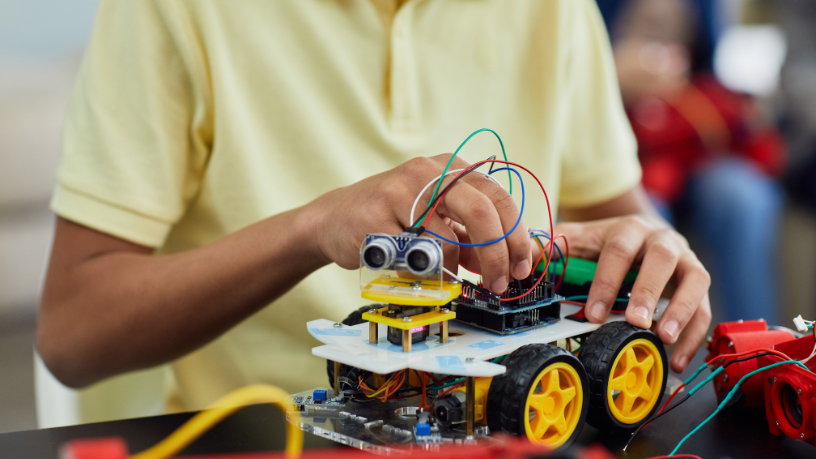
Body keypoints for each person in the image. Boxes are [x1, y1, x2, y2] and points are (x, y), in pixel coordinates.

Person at [37, 0, 711, 414]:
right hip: (267, 428)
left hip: (504, 419)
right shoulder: (176, 8)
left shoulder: (555, 10)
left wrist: (655, 250)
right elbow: (72, 332)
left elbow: (622, 219)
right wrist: (311, 227)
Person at [599, 0, 786, 323]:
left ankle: (758, 352)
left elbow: (711, 68)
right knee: (646, 214)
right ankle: (643, 344)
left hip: (689, 140)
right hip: (620, 137)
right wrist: (609, 73)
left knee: (745, 199)